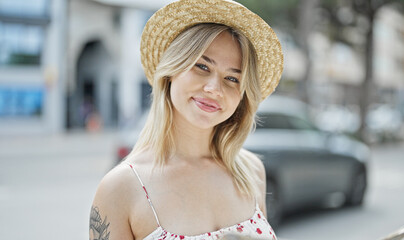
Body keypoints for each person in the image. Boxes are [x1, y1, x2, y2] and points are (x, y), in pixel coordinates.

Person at [89, 0, 283, 239]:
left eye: (232, 79)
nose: (214, 88)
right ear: (172, 70)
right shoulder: (120, 189)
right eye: (202, 66)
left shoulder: (251, 171)